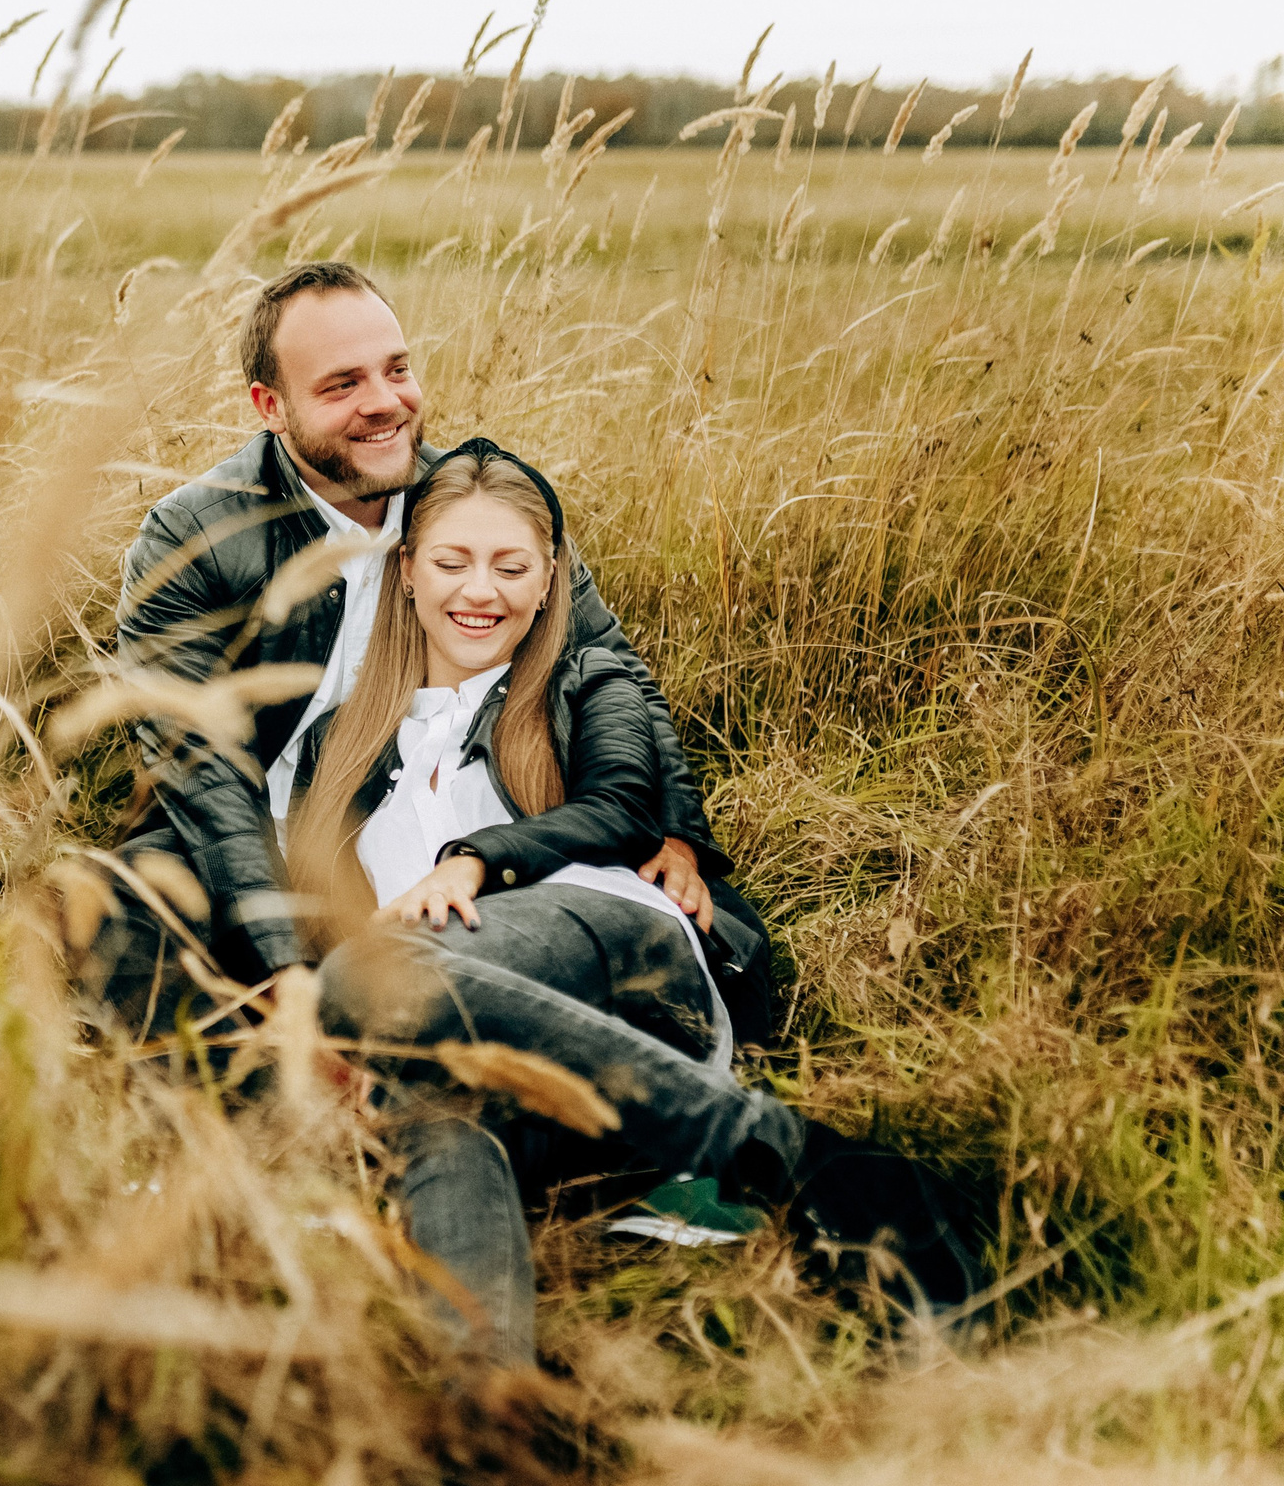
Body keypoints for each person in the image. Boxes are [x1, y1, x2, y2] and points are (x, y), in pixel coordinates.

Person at [288, 438, 978, 1363]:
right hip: (507, 1059)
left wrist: (472, 862)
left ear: (550, 579)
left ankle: (782, 1153)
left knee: (381, 974)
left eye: (510, 566)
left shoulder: (583, 678)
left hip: (624, 956)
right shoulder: (343, 740)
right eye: (451, 562)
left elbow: (619, 806)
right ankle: (488, 1406)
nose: (478, 591)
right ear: (407, 572)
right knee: (429, 1107)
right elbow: (324, 914)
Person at [97, 259, 773, 1048]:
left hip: (438, 828)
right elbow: (199, 767)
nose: (385, 402)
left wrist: (679, 835)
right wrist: (283, 967)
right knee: (113, 915)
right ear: (270, 406)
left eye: (397, 369)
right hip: (263, 852)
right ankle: (291, 1087)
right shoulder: (192, 538)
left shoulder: (472, 502)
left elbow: (611, 666)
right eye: (342, 384)